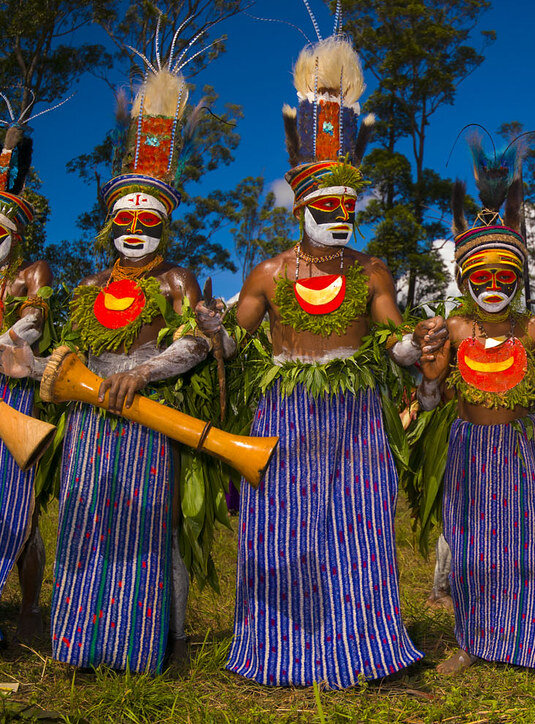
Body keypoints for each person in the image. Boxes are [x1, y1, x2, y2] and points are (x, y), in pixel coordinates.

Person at [198, 30, 444, 688]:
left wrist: (414, 347)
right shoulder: (269, 273)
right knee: (280, 530)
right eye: (323, 204)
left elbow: (391, 336)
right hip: (283, 414)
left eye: (346, 204)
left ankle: (365, 646)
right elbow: (229, 345)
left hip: (357, 415)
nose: (337, 213)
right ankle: (277, 647)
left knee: (360, 526)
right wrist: (209, 328)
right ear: (300, 203)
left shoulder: (371, 270)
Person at [0, 32, 218, 672]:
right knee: (86, 526)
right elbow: (66, 351)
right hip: (91, 421)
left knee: (152, 527)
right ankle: (81, 642)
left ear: (164, 224)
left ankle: (161, 643)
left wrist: (146, 373)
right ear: (108, 224)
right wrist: (35, 365)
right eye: (123, 220)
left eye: (146, 221)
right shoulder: (91, 285)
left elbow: (196, 344)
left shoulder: (176, 280)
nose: (132, 231)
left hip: (149, 417)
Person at [415, 136, 535, 675]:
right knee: (472, 548)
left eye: (505, 276)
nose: (495, 285)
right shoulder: (452, 329)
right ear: (463, 279)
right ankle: (473, 641)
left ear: (519, 279)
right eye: (482, 277)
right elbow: (431, 401)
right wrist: (430, 380)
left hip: (522, 448)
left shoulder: (532, 328)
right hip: (469, 449)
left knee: (530, 545)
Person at [0, 106, 54, 645]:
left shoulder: (31, 273)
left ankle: (31, 608)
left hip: (10, 397)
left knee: (16, 507)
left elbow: (33, 323)